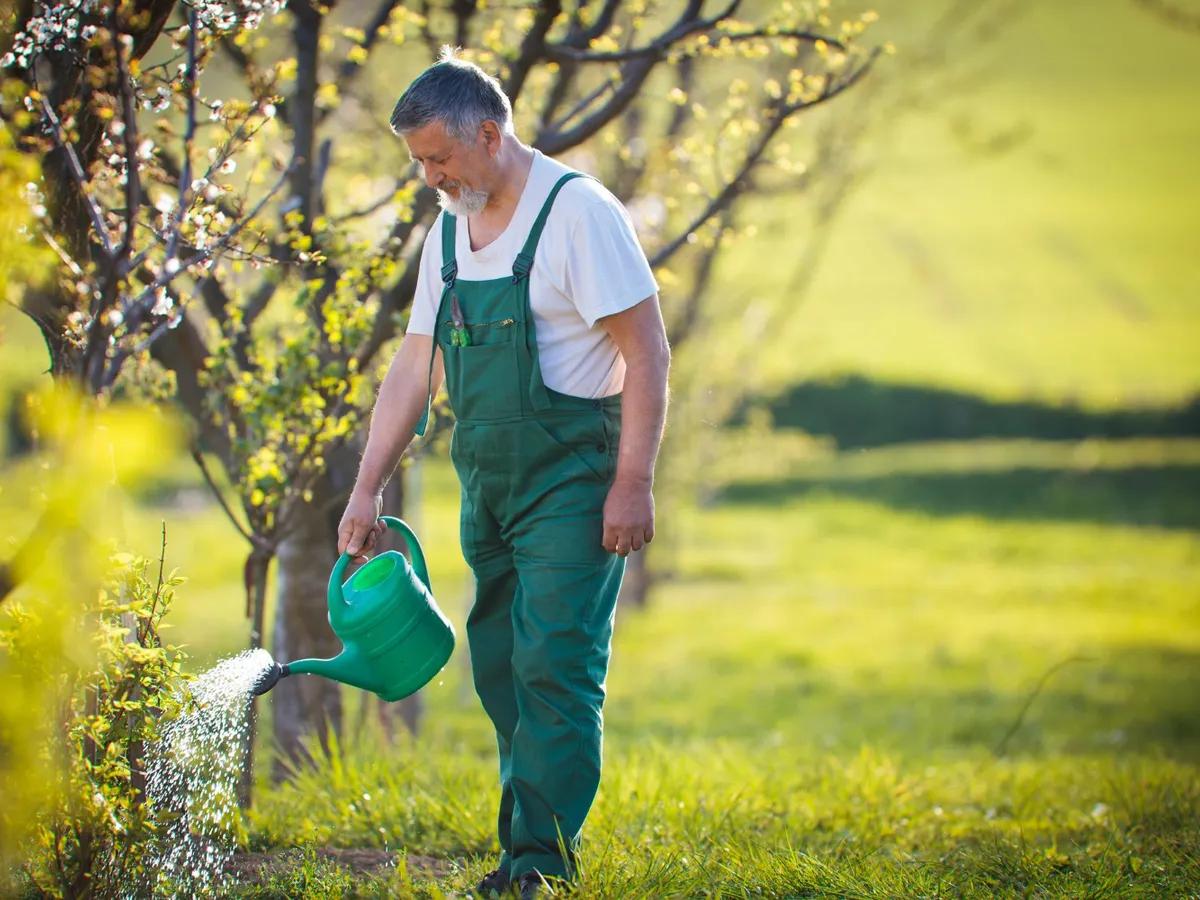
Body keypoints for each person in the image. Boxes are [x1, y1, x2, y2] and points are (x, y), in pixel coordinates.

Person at [336, 47, 671, 899]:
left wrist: (633, 481)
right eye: (418, 162)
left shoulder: (577, 214)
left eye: (438, 158)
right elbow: (414, 368)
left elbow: (647, 350)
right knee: (498, 664)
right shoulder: (450, 225)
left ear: (489, 134)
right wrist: (366, 485)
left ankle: (541, 868)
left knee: (552, 662)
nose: (429, 178)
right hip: (488, 482)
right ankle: (522, 848)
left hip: (574, 477)